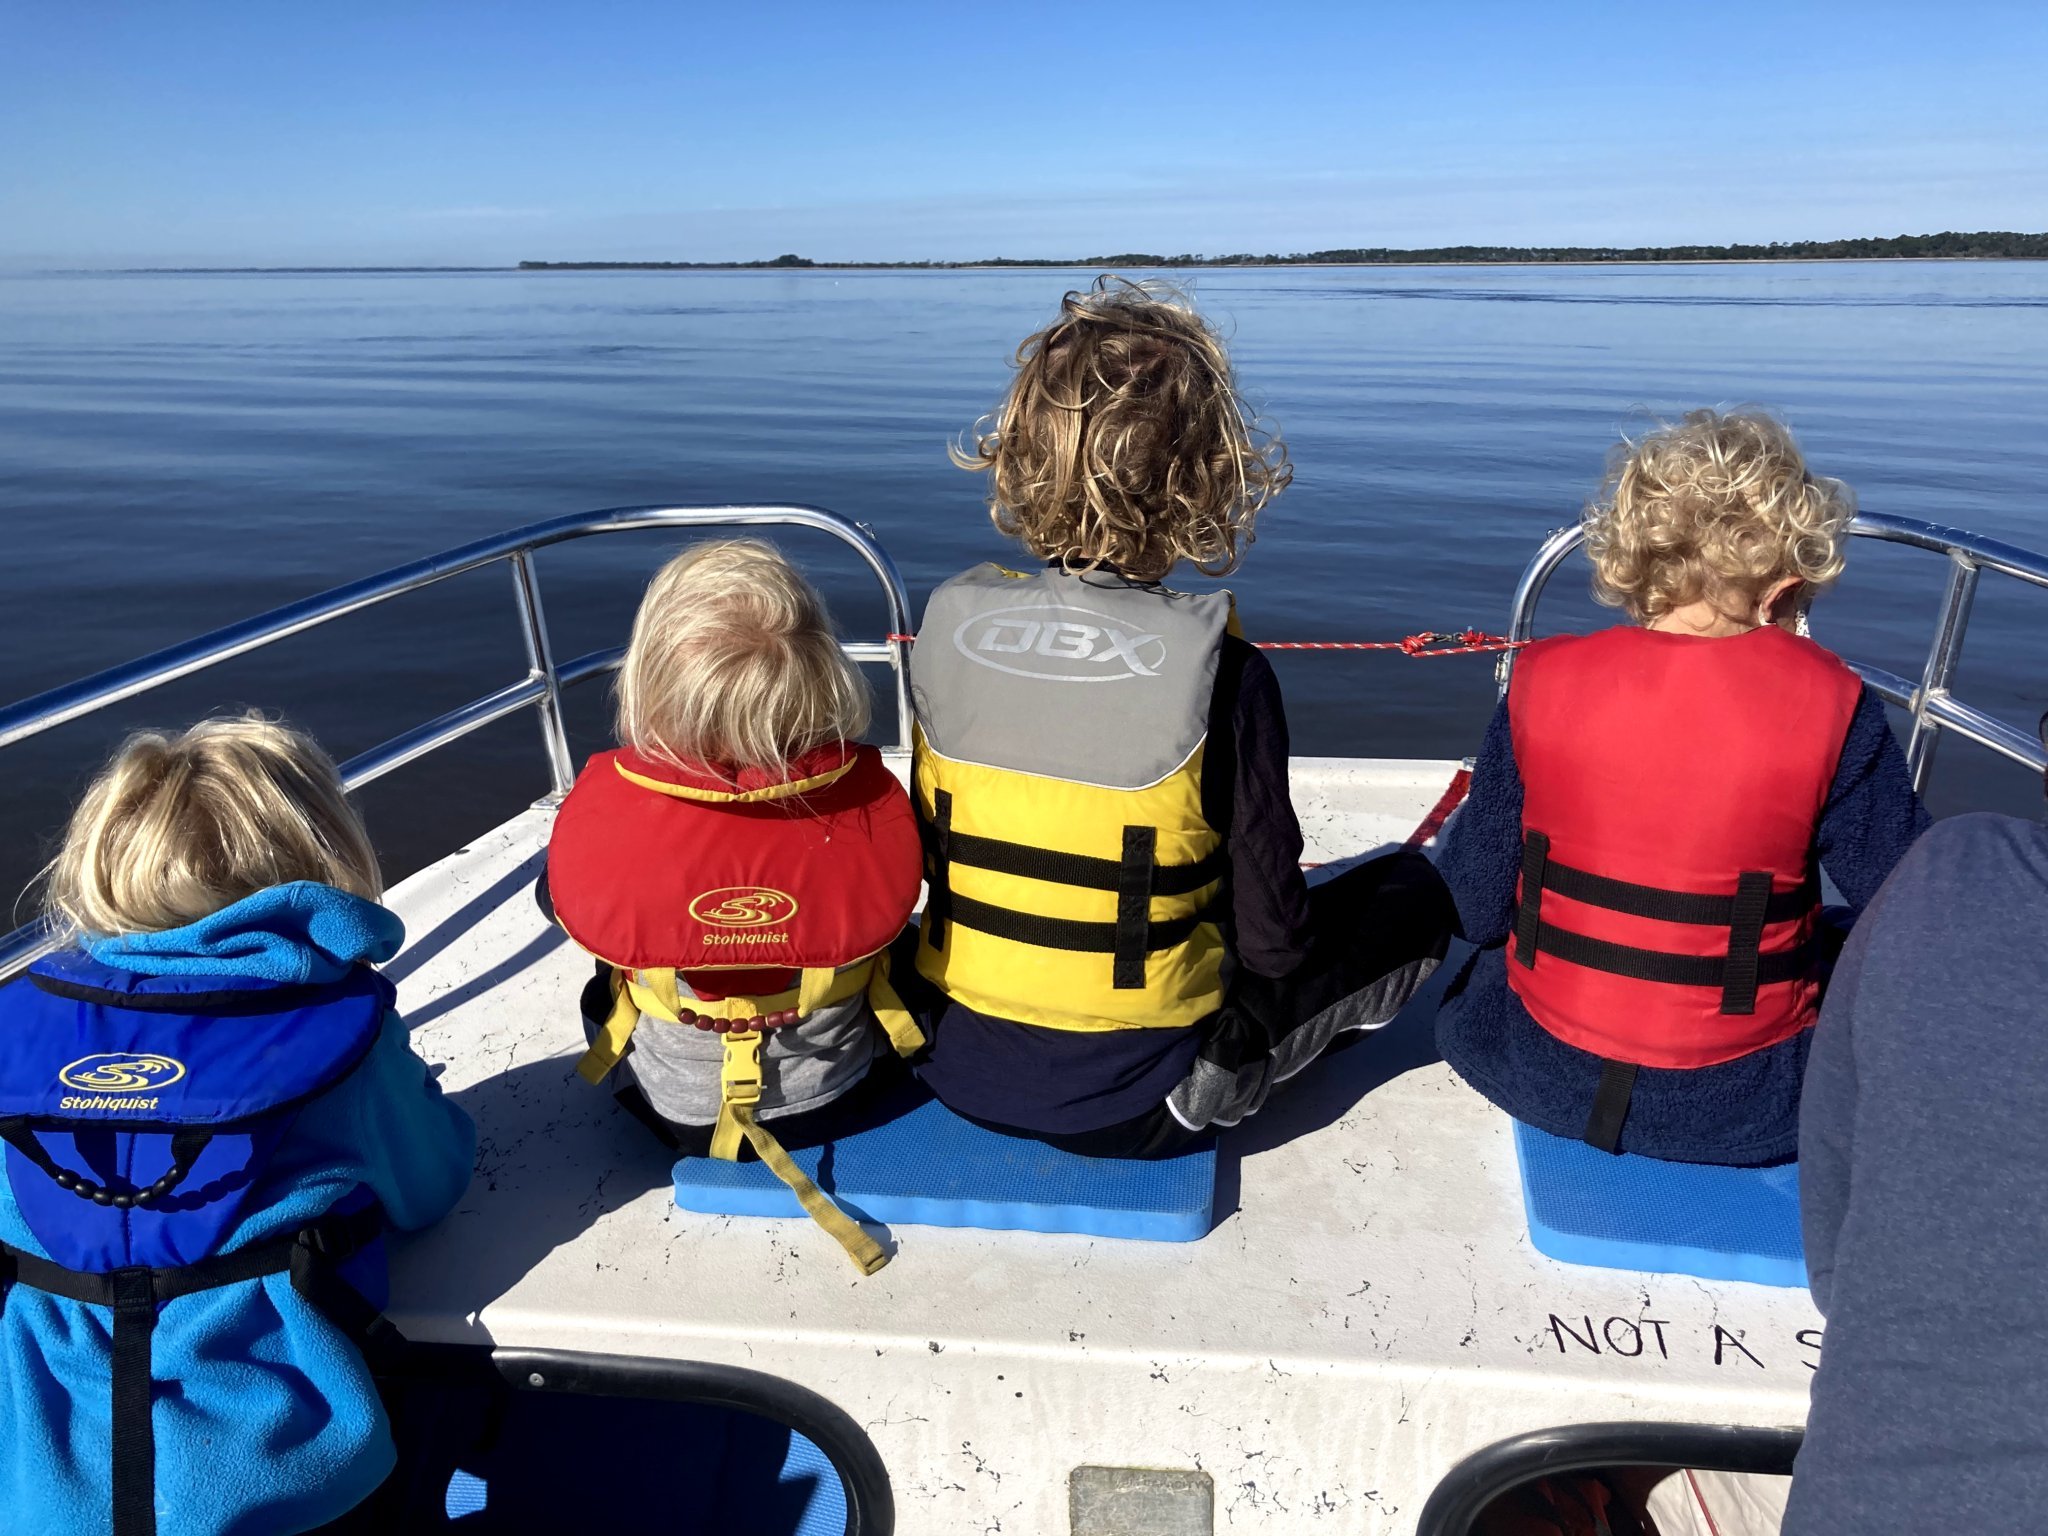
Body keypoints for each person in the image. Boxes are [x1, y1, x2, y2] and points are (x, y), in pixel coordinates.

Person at [897, 276, 1453, 1157]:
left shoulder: (944, 638)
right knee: (1414, 893)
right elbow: (1274, 948)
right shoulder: (1226, 678)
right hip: (1139, 1102)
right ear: (1212, 477)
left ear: (1019, 457)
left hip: (947, 1061)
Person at [0, 715, 475, 1536]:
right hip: (289, 1476)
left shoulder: (24, 1046)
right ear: (322, 856)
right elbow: (432, 1186)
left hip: (48, 1487)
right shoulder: (340, 1039)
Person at [1436, 409, 1926, 1164]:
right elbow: (1916, 920)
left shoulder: (1540, 681)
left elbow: (1471, 901)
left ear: (1635, 565)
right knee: (1840, 937)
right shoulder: (1837, 709)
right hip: (1747, 1108)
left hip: (1535, 1069)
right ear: (1781, 594)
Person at [544, 539, 925, 1273]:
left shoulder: (606, 819)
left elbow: (563, 901)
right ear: (822, 673)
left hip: (670, 1115)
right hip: (842, 1095)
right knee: (896, 938)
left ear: (648, 680)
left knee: (607, 950)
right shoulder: (870, 807)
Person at [1784, 719, 2048, 1534]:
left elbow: (1834, 1254)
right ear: (1782, 592)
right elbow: (1868, 867)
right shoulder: (1829, 709)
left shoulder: (1963, 869)